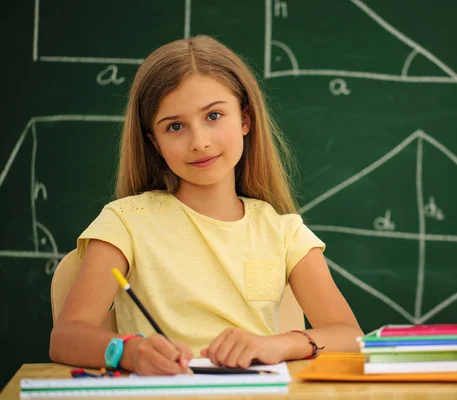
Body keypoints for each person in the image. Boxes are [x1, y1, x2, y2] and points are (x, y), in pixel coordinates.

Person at [49, 35, 363, 376]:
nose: (199, 142)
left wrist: (276, 344)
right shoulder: (125, 222)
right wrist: (129, 350)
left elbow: (349, 335)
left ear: (245, 120)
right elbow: (66, 338)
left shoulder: (283, 231)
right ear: (154, 142)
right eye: (175, 126)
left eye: (213, 115)